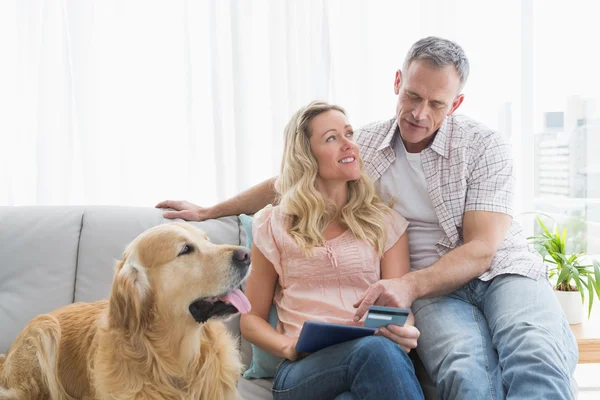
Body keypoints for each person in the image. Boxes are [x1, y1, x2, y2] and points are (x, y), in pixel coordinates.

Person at [157, 37, 578, 399]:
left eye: (436, 104)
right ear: (397, 82)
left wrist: (404, 304)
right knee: (464, 369)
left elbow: (481, 250)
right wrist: (212, 211)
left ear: (457, 104)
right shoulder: (362, 150)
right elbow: (289, 179)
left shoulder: (482, 148)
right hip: (427, 293)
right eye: (412, 96)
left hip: (495, 271)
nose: (419, 113)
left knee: (534, 350)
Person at [242, 101, 424, 399]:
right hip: (301, 372)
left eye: (349, 133)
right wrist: (287, 347)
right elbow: (251, 319)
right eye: (332, 138)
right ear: (306, 155)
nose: (348, 144)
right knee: (375, 352)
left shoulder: (385, 223)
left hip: (372, 357)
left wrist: (404, 330)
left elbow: (398, 307)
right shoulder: (273, 225)